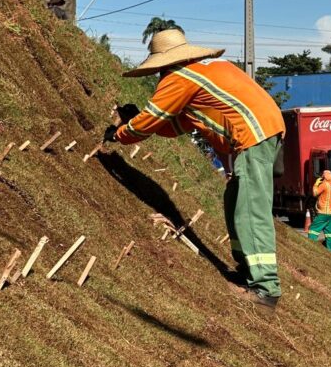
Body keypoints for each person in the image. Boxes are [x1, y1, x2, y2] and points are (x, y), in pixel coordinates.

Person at [105, 25, 286, 308]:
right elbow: (175, 124)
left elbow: (154, 118)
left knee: (251, 210)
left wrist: (120, 133)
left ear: (164, 63)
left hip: (253, 136)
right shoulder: (206, 70)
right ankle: (247, 270)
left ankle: (265, 287)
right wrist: (139, 121)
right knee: (236, 201)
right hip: (268, 130)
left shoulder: (180, 77)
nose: (158, 77)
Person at [308, 170, 331, 251]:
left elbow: (315, 193)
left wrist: (316, 184)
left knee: (313, 230)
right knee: (330, 233)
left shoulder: (324, 184)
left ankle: (311, 249)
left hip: (323, 213)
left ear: (324, 177)